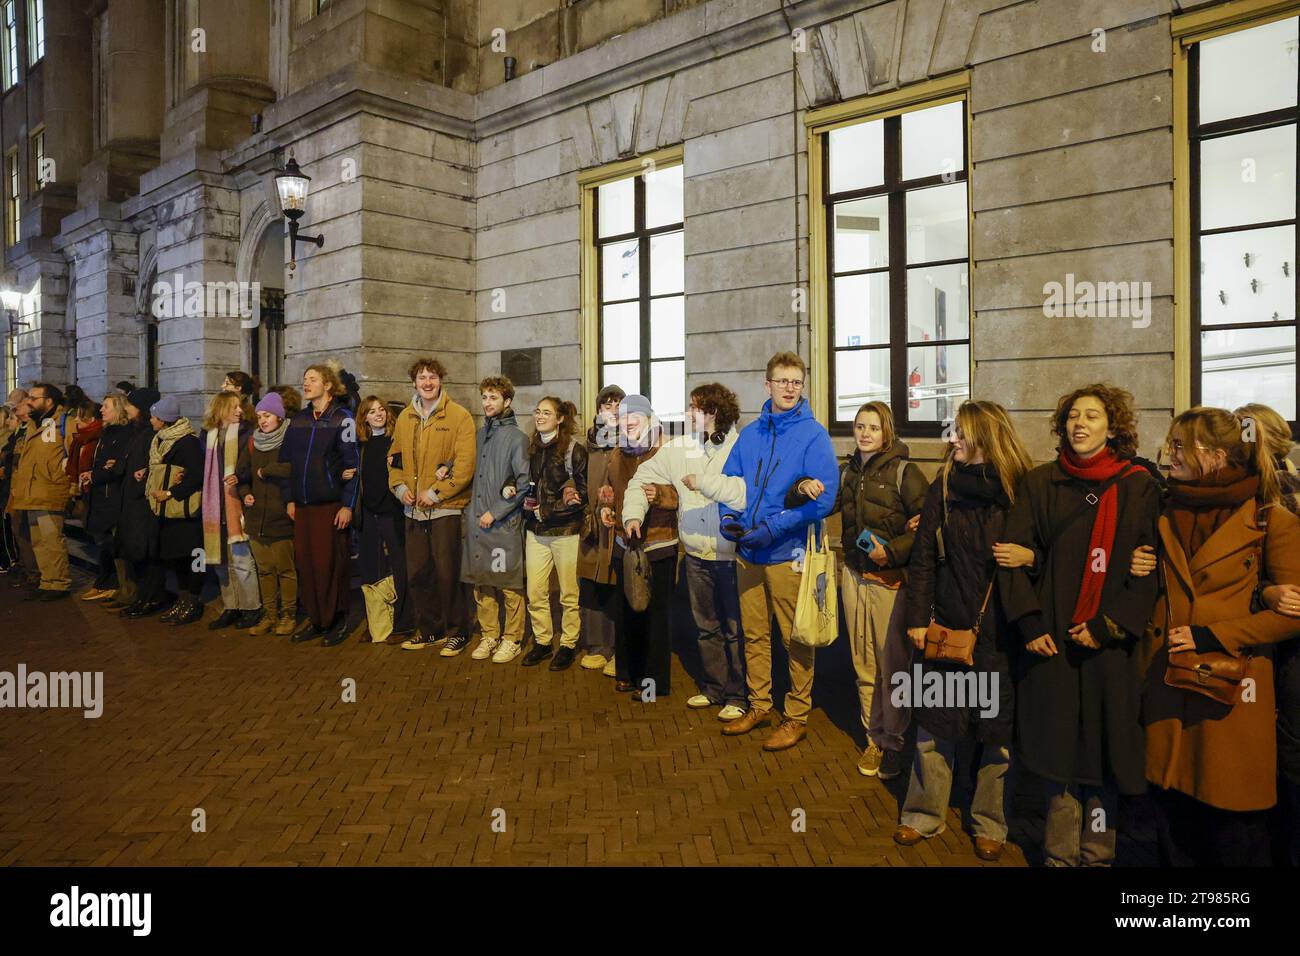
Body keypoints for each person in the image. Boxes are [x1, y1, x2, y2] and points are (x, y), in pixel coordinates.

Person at [1125, 407, 1300, 866]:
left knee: (1234, 830)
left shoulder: (1269, 518)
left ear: (1217, 455)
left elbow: (1293, 614)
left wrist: (1212, 635)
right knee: (1173, 821)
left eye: (1181, 445)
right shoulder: (1165, 508)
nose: (1169, 453)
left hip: (1230, 693)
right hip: (1166, 687)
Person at [998, 383, 1161, 866]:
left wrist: (1110, 627)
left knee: (1104, 758)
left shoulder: (1138, 487)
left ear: (1112, 427)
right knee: (1058, 758)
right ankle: (1059, 856)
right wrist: (1029, 624)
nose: (1080, 423)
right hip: (1053, 644)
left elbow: (1151, 573)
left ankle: (1097, 856)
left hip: (1110, 648)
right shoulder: (1039, 483)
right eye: (1072, 415)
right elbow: (1011, 557)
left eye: (1092, 416)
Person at [893, 401, 1033, 861]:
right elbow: (923, 558)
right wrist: (918, 617)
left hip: (998, 629)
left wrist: (1030, 558)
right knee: (934, 726)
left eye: (960, 433)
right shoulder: (945, 484)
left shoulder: (1018, 488)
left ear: (985, 437)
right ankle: (923, 814)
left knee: (996, 733)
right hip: (948, 621)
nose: (951, 439)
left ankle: (990, 822)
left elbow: (1044, 549)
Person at [696, 352, 839, 750]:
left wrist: (772, 529)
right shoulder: (752, 433)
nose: (789, 388)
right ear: (768, 385)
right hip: (748, 553)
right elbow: (731, 484)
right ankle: (759, 705)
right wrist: (728, 522)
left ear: (802, 386)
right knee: (754, 634)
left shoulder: (814, 435)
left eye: (796, 382)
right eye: (782, 381)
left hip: (786, 554)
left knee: (796, 636)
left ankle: (795, 715)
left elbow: (823, 501)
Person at [821, 401, 927, 778]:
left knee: (893, 666)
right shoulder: (848, 472)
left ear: (888, 433)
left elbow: (927, 526)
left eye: (873, 427)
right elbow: (821, 505)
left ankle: (896, 742)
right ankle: (873, 738)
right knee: (863, 663)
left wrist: (892, 552)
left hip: (890, 583)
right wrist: (801, 488)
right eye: (860, 426)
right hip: (853, 575)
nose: (865, 433)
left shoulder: (906, 473)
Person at [631, 382, 746, 720]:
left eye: (693, 408)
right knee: (706, 625)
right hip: (695, 553)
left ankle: (738, 696)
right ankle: (713, 688)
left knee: (734, 628)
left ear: (712, 412)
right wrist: (634, 512)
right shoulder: (680, 447)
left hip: (730, 554)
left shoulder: (738, 447)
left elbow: (743, 494)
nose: (686, 414)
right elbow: (642, 476)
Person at [387, 358, 476, 655]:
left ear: (440, 380)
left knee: (447, 572)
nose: (427, 382)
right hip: (412, 510)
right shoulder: (405, 418)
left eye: (432, 377)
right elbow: (394, 458)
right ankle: (430, 629)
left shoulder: (459, 416)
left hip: (445, 509)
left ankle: (457, 630)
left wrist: (436, 493)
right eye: (422, 377)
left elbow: (464, 466)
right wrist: (400, 489)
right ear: (414, 382)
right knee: (418, 573)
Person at [280, 363, 359, 646]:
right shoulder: (299, 419)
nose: (306, 384)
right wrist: (289, 498)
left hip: (330, 505)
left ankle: (337, 620)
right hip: (302, 506)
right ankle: (316, 619)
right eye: (304, 379)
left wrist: (347, 504)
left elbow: (353, 465)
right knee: (307, 565)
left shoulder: (342, 418)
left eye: (312, 379)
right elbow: (287, 463)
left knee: (332, 565)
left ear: (327, 385)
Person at [605, 393, 678, 697]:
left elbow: (680, 495)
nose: (628, 422)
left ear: (649, 418)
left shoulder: (668, 451)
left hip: (659, 542)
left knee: (656, 614)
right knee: (626, 611)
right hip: (626, 543)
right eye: (622, 417)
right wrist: (606, 507)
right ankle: (627, 673)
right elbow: (608, 490)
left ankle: (653, 682)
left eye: (634, 416)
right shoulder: (616, 454)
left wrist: (659, 495)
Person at [463, 378, 530, 663]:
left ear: (507, 401)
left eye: (493, 397)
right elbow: (466, 465)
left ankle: (512, 638)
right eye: (485, 397)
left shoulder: (517, 437)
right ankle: (489, 634)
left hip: (502, 525)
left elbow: (524, 482)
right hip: (477, 521)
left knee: (508, 583)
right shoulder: (479, 435)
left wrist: (498, 510)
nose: (487, 403)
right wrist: (446, 468)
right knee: (482, 582)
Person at [520, 396, 588, 670]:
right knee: (535, 591)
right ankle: (543, 641)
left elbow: (583, 494)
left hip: (565, 530)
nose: (539, 416)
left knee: (569, 593)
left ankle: (569, 644)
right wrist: (516, 490)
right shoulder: (532, 448)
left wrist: (550, 510)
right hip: (536, 530)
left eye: (546, 412)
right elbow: (527, 482)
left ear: (560, 419)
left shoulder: (574, 450)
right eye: (537, 411)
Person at [352, 395, 414, 643]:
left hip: (392, 512)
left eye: (381, 410)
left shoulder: (395, 441)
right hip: (369, 513)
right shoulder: (362, 445)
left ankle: (404, 622)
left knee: (400, 566)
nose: (378, 414)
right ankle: (378, 621)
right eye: (372, 411)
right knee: (370, 569)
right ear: (364, 417)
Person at [237, 391, 298, 637]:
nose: (262, 421)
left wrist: (270, 470)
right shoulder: (253, 442)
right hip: (256, 518)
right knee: (264, 570)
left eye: (268, 415)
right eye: (260, 416)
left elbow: (296, 469)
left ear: (280, 417)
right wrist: (245, 493)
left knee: (285, 568)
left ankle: (289, 614)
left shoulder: (289, 441)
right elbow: (243, 475)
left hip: (280, 517)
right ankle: (269, 615)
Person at [200, 391, 260, 630]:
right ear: (220, 409)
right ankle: (231, 606)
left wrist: (240, 477)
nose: (239, 411)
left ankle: (251, 607)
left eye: (240, 407)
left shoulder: (247, 433)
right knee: (221, 562)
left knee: (241, 558)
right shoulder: (207, 435)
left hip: (236, 504)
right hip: (214, 506)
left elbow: (251, 467)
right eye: (233, 407)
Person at [576, 384, 625, 675]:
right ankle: (597, 646)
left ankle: (621, 650)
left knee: (619, 587)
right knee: (592, 587)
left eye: (619, 404)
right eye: (608, 405)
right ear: (598, 411)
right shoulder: (587, 446)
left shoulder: (632, 442)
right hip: (591, 528)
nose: (613, 410)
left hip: (617, 527)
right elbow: (577, 479)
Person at [146, 396, 206, 626]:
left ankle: (193, 601)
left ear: (163, 419)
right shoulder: (161, 440)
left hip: (185, 513)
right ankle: (182, 600)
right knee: (177, 558)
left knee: (193, 557)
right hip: (168, 513)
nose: (151, 420)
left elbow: (197, 474)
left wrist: (171, 492)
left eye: (154, 416)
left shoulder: (187, 443)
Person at [10, 383, 72, 600]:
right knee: (39, 541)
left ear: (49, 401)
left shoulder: (63, 422)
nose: (29, 402)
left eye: (34, 398)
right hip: (32, 491)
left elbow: (71, 454)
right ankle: (48, 581)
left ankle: (59, 583)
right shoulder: (35, 424)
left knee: (52, 540)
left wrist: (70, 486)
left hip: (50, 489)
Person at [114, 387, 163, 616]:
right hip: (131, 500)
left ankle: (150, 598)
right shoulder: (136, 432)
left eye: (131, 405)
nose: (127, 408)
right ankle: (141, 596)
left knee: (146, 551)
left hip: (142, 504)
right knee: (135, 550)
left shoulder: (150, 434)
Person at [80, 393, 132, 602]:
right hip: (101, 494)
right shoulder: (107, 432)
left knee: (111, 543)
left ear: (118, 409)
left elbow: (114, 465)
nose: (101, 410)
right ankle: (105, 582)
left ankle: (111, 584)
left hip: (112, 495)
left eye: (106, 407)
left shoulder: (123, 434)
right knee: (105, 543)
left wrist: (96, 474)